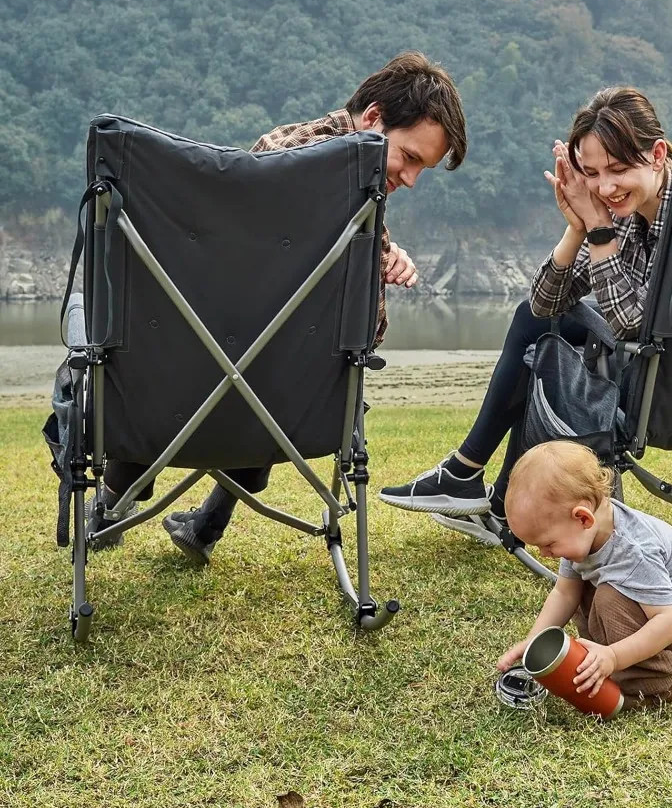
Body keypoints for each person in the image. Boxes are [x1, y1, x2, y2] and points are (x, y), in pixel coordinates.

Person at [90, 51, 468, 564]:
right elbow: (367, 335)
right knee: (276, 360)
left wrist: (377, 251)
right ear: (374, 118)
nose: (411, 179)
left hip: (170, 390)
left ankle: (112, 504)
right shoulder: (359, 201)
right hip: (295, 411)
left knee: (228, 354)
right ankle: (206, 521)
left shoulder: (275, 154)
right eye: (411, 157)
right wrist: (378, 262)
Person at [379, 86, 672, 545]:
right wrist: (577, 227)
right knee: (536, 334)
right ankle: (488, 491)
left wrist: (599, 230)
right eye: (593, 173)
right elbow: (542, 305)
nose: (605, 187)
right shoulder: (623, 209)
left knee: (540, 344)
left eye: (618, 169)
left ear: (657, 154)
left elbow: (631, 327)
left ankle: (469, 474)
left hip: (671, 386)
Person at [496, 441, 672, 709]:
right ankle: (610, 663)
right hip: (656, 620)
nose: (545, 554)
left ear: (583, 518)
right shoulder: (580, 536)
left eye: (547, 544)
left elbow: (669, 623)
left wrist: (614, 656)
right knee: (583, 588)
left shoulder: (634, 550)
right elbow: (564, 592)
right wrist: (533, 639)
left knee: (609, 597)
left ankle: (654, 686)